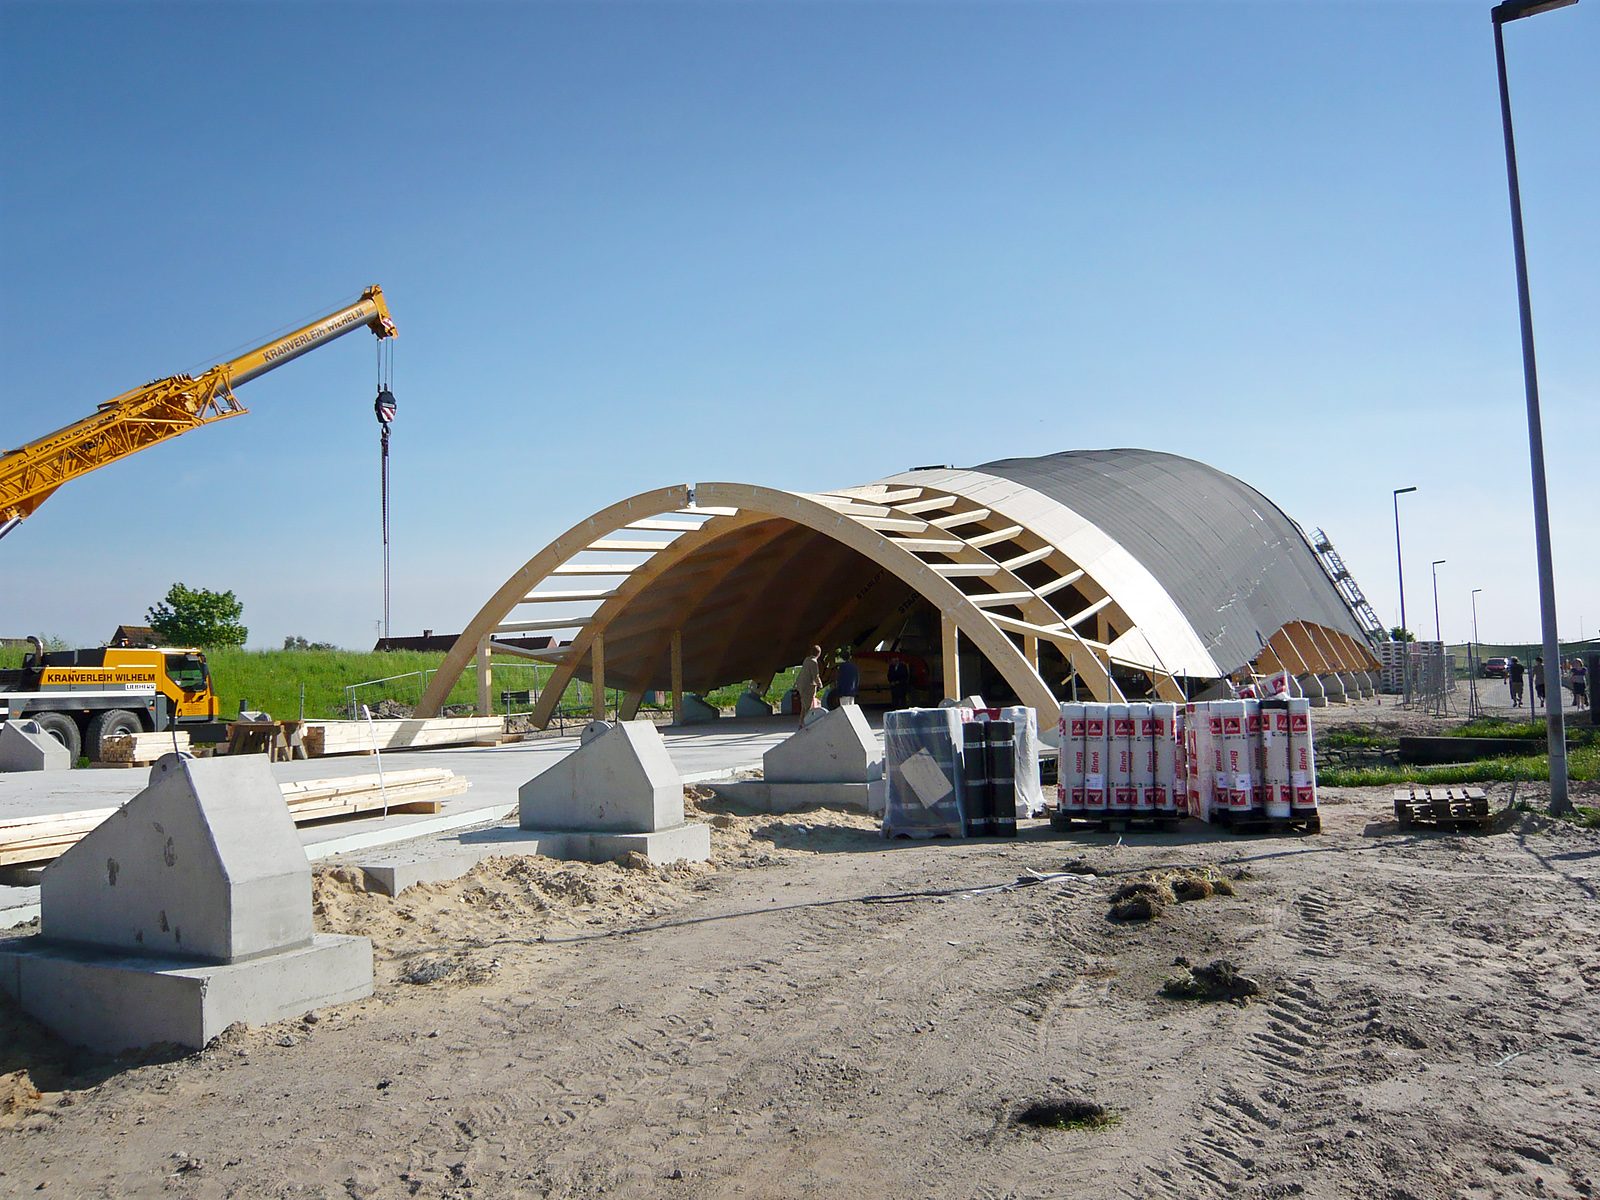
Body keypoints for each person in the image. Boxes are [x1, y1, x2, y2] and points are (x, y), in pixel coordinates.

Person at [795, 645, 821, 727]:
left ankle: (801, 723)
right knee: (808, 707)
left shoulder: (806, 660)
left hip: (801, 685)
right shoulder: (814, 662)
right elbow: (815, 676)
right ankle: (807, 724)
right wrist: (820, 684)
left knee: (804, 706)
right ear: (819, 654)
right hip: (808, 687)